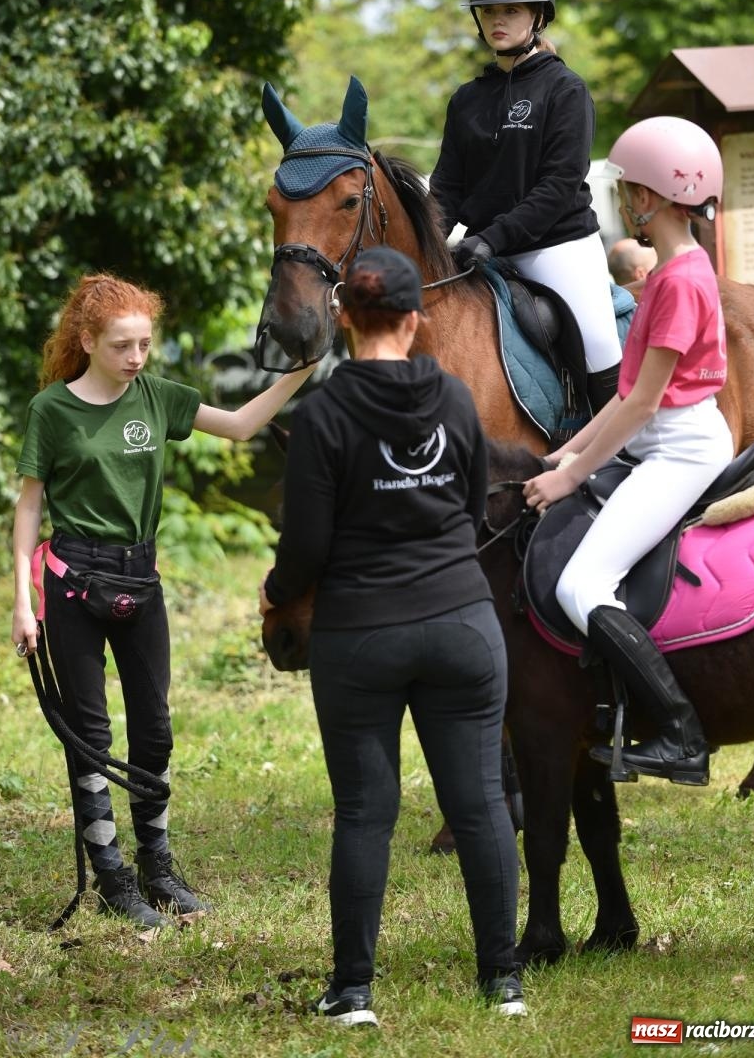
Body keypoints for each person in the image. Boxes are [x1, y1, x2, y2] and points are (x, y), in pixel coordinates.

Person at [258, 245, 525, 1026]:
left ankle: (353, 993)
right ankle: (501, 983)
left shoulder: (322, 415)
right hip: (462, 629)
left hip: (361, 637)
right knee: (477, 804)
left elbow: (304, 545)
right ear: (413, 320)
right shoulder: (452, 398)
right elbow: (476, 509)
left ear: (341, 317)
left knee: (365, 814)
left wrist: (274, 593)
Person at [11, 273, 315, 928]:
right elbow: (29, 505)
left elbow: (236, 425)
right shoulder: (53, 411)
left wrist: (301, 372)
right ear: (87, 340)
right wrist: (21, 600)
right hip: (72, 583)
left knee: (155, 730)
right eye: (123, 345)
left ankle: (158, 867)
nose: (136, 358)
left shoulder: (156, 396)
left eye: (145, 344)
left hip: (140, 580)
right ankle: (110, 878)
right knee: (90, 737)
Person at [523, 117, 734, 787]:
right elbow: (622, 398)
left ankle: (679, 735)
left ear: (654, 196)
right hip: (657, 438)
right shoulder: (680, 268)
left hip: (679, 449)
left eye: (629, 189)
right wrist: (567, 456)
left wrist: (570, 479)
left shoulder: (676, 281)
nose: (622, 201)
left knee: (579, 584)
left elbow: (644, 403)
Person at [430, 0, 622, 413]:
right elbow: (446, 189)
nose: (498, 20)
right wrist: (424, 240)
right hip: (481, 250)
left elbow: (557, 187)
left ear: (537, 16)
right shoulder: (467, 99)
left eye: (510, 10)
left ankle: (623, 450)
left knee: (597, 341)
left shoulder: (566, 90)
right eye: (490, 11)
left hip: (556, 246)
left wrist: (491, 239)